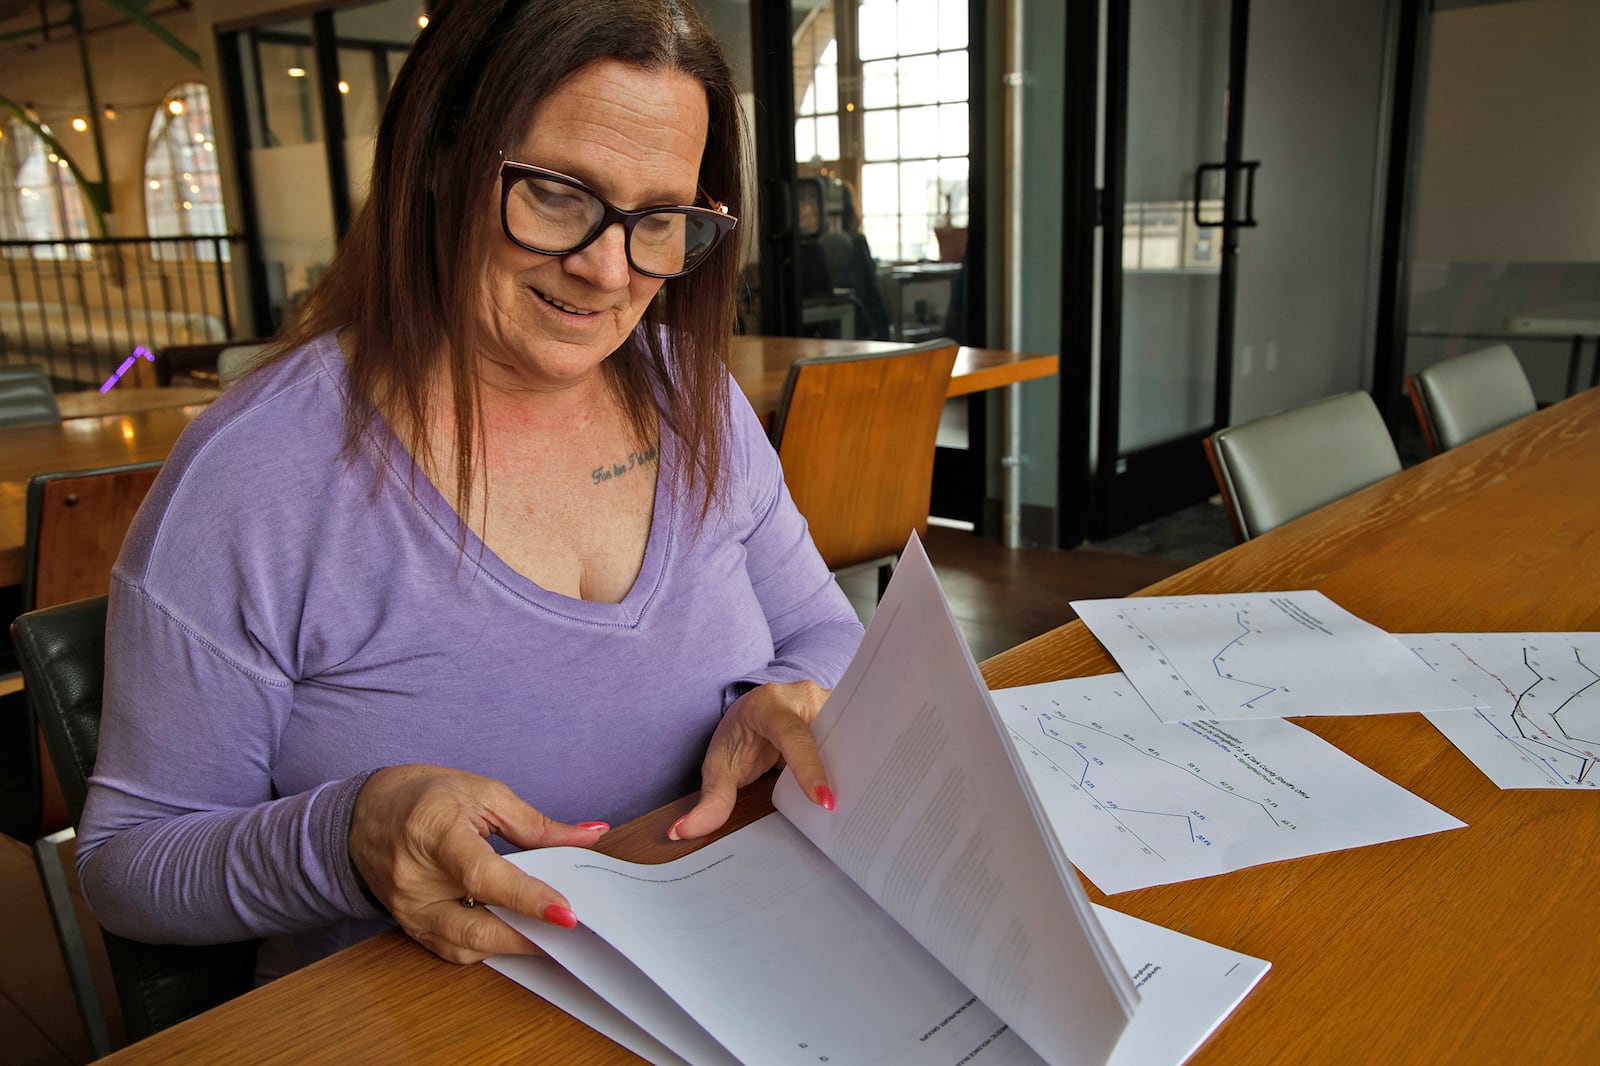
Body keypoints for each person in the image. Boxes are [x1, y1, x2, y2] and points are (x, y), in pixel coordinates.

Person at [75, 0, 864, 983]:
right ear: (441, 162)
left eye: (659, 220)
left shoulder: (691, 393)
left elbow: (833, 639)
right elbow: (125, 867)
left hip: (729, 961)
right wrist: (347, 835)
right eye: (558, 194)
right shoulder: (255, 480)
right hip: (435, 1015)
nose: (606, 269)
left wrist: (771, 701)